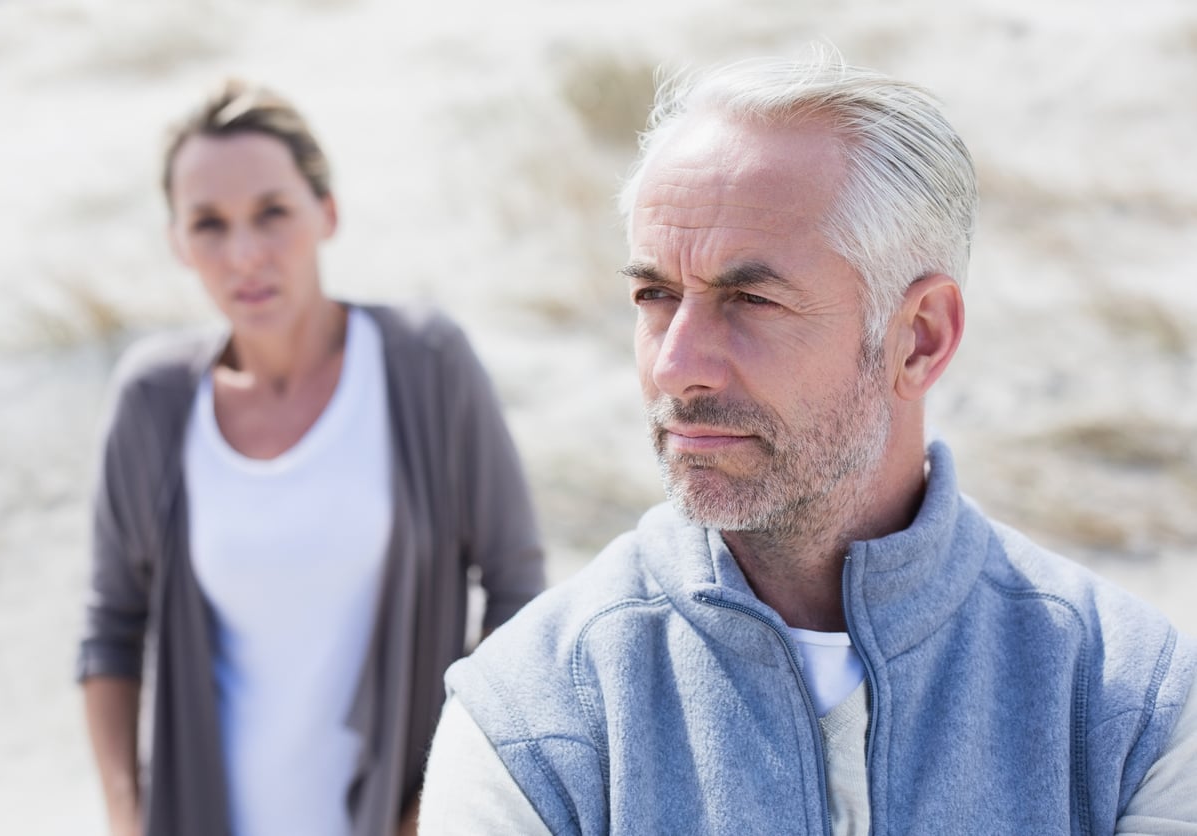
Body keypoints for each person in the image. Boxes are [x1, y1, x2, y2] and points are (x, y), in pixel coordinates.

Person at [418, 55, 1197, 834]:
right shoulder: (529, 720)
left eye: (749, 299)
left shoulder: (1133, 706)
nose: (675, 365)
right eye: (655, 295)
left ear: (919, 339)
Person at [76, 79, 545, 836]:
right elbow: (111, 626)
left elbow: (517, 592)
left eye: (272, 213)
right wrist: (126, 816)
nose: (245, 255)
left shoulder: (425, 365)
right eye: (209, 224)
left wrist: (440, 799)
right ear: (177, 242)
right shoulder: (152, 401)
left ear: (326, 212)